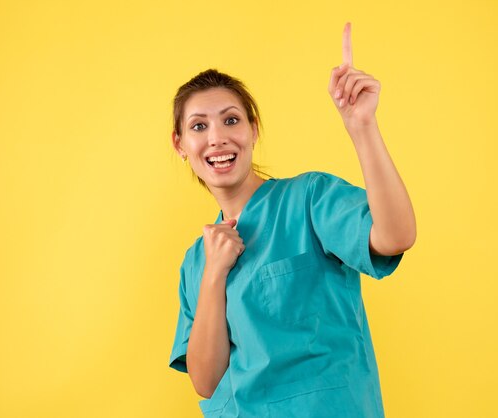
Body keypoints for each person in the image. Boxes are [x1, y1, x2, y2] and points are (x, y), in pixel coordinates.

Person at [169, 22, 416, 418]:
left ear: (253, 129)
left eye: (231, 120)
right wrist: (215, 273)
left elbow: (396, 236)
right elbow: (206, 380)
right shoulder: (196, 261)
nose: (216, 137)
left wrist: (362, 127)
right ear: (180, 144)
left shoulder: (308, 200)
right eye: (199, 126)